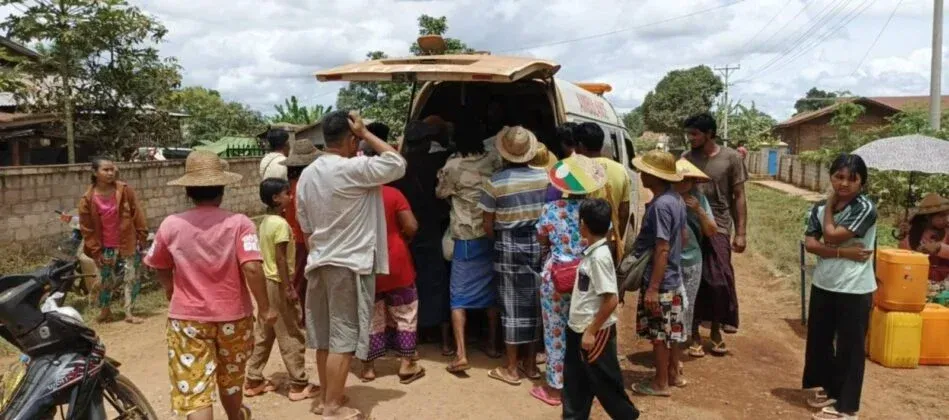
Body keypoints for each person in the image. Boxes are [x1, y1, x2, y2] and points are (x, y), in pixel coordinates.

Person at [144, 150, 278, 420]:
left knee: (195, 390)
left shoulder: (171, 225)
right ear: (222, 189)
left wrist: (171, 290)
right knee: (231, 379)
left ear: (188, 191)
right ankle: (236, 417)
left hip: (188, 320)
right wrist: (265, 308)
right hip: (234, 318)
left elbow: (158, 263)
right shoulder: (240, 224)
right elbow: (252, 267)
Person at [296, 110, 406, 419]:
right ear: (350, 139)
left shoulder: (308, 174)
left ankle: (326, 398)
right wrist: (368, 134)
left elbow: (305, 228)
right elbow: (397, 163)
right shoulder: (353, 168)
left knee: (323, 336)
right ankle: (332, 406)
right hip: (349, 264)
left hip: (319, 263)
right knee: (342, 338)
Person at [802, 154, 877, 420]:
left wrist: (829, 240)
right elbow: (809, 244)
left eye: (852, 179)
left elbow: (831, 235)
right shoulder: (819, 208)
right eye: (839, 176)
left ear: (862, 182)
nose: (844, 183)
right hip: (824, 283)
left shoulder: (865, 208)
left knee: (850, 348)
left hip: (854, 288)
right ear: (831, 176)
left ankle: (847, 408)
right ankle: (829, 390)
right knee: (820, 340)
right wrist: (842, 254)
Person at [531, 155, 606, 406]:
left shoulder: (551, 209)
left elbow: (542, 238)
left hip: (556, 277)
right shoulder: (594, 209)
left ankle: (555, 389)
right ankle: (583, 385)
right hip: (585, 277)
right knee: (582, 330)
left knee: (554, 332)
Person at [480, 125, 549, 386]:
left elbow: (488, 223)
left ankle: (511, 368)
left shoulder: (494, 182)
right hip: (539, 242)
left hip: (508, 244)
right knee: (534, 303)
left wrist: (495, 239)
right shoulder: (545, 177)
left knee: (510, 306)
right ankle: (531, 365)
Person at [562, 199, 640, 420]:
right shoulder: (593, 252)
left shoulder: (599, 258)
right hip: (578, 328)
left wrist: (591, 331)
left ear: (583, 225)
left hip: (593, 334)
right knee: (575, 387)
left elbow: (611, 299)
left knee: (607, 386)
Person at [244, 178, 319, 402]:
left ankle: (254, 378)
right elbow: (280, 258)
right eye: (287, 193)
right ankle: (298, 383)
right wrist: (289, 288)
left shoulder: (266, 222)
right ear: (276, 198)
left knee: (265, 332)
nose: (291, 196)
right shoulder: (281, 225)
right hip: (277, 281)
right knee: (291, 331)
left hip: (267, 281)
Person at [357, 142, 426, 385]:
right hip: (396, 261)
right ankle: (407, 363)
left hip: (366, 262)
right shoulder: (393, 194)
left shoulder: (355, 196)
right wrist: (401, 239)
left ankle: (368, 367)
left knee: (370, 315)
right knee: (405, 311)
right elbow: (412, 226)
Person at [436, 125, 504, 372]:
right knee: (490, 293)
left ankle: (461, 353)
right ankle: (493, 345)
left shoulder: (452, 167)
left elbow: (440, 193)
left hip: (464, 237)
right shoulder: (494, 161)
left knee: (458, 298)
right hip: (489, 234)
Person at [682, 112, 747, 353]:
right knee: (695, 280)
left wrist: (741, 233)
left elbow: (739, 197)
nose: (691, 138)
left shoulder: (731, 158)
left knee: (720, 279)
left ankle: (717, 329)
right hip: (692, 225)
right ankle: (695, 333)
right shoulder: (686, 158)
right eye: (688, 133)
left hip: (718, 224)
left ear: (710, 133)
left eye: (695, 133)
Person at [392, 120, 455, 356]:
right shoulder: (439, 162)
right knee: (439, 283)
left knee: (411, 285)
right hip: (434, 228)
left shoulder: (399, 169)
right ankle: (446, 341)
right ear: (427, 142)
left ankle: (414, 335)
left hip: (407, 233)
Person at [629, 149, 688, 397]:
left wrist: (653, 287)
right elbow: (682, 238)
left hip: (661, 281)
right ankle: (672, 374)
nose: (640, 174)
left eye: (644, 171)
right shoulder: (676, 200)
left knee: (659, 334)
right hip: (672, 276)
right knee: (670, 331)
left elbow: (662, 248)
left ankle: (660, 382)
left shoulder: (661, 206)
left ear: (653, 176)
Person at [78, 156, 148, 324]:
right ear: (95, 172)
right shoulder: (87, 199)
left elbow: (136, 213)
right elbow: (86, 228)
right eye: (106, 170)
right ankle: (105, 311)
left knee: (131, 277)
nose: (111, 173)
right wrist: (96, 250)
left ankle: (129, 312)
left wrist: (142, 235)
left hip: (128, 242)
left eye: (112, 169)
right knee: (104, 280)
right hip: (104, 247)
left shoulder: (124, 190)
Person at [673, 160, 718, 359]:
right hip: (670, 261)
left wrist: (698, 210)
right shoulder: (667, 199)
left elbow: (711, 231)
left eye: (688, 179)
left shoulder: (700, 199)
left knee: (688, 303)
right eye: (680, 179)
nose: (684, 183)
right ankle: (672, 343)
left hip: (693, 260)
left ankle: (683, 341)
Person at [574, 122, 634, 259]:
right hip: (608, 240)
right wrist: (615, 238)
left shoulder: (575, 171)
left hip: (581, 242)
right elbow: (624, 211)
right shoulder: (620, 169)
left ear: (581, 146)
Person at [279, 137, 321, 313]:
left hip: (295, 235)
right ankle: (301, 316)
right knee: (302, 279)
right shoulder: (304, 185)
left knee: (300, 276)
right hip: (303, 237)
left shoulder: (291, 185)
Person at [896, 193, 949, 283]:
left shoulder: (947, 231)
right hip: (917, 279)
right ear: (928, 217)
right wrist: (903, 237)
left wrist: (939, 248)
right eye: (941, 216)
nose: (946, 219)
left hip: (945, 281)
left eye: (947, 215)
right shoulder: (913, 232)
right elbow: (904, 257)